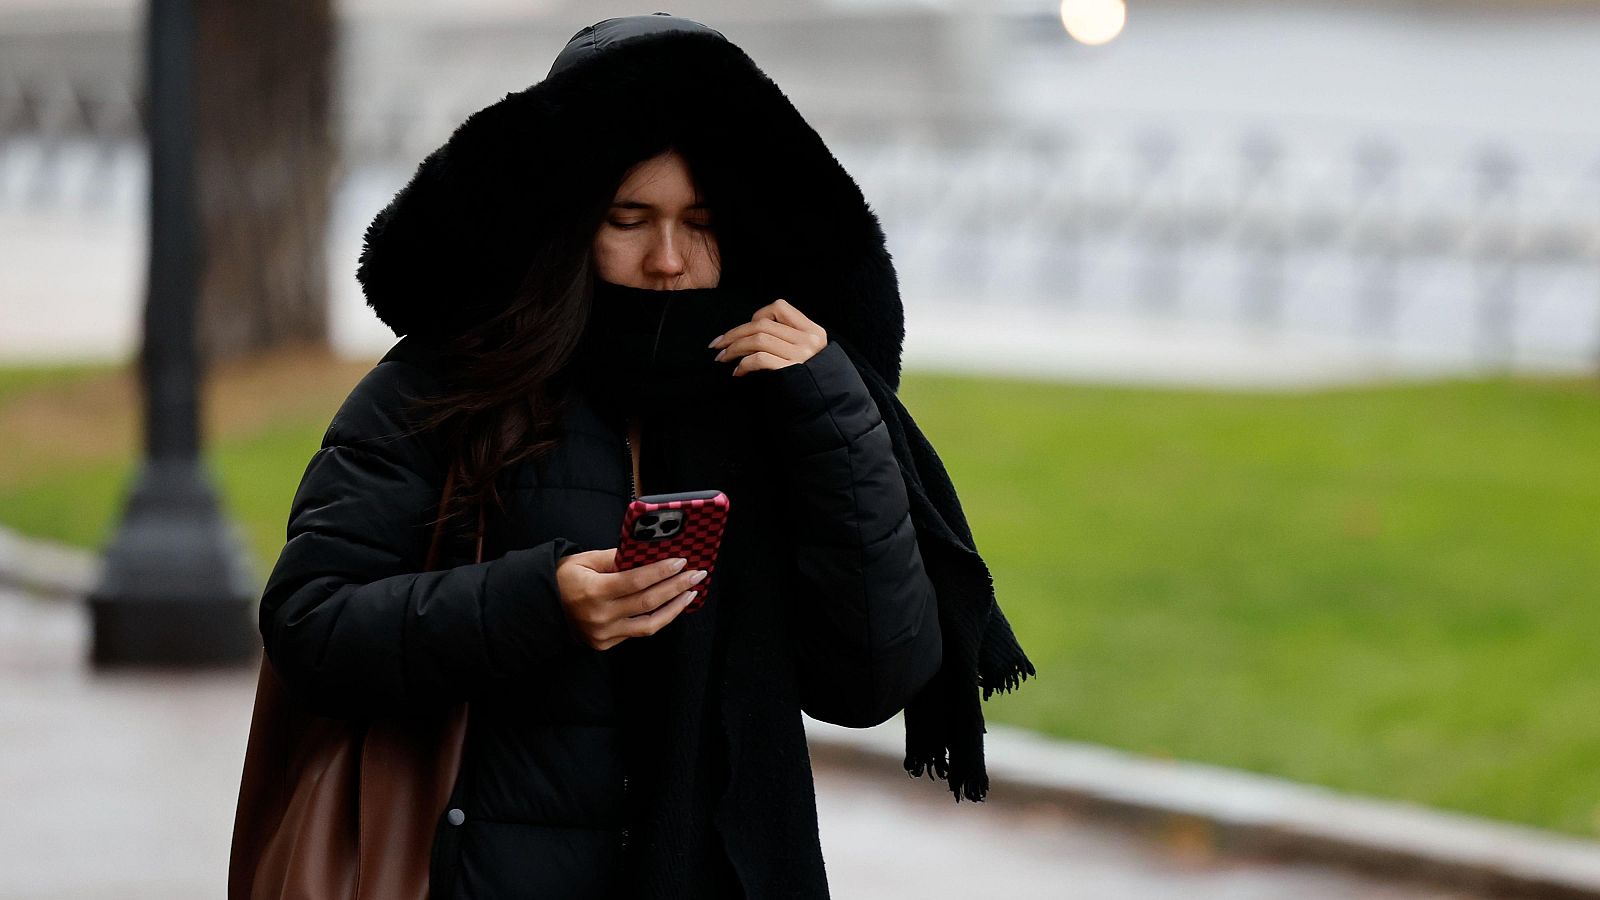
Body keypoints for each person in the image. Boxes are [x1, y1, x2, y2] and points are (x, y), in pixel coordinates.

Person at [251, 13, 1032, 899]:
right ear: (571, 221)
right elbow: (309, 622)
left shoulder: (782, 399)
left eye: (699, 222)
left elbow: (869, 681)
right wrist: (542, 603)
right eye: (630, 219)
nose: (667, 260)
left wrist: (832, 412)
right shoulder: (448, 384)